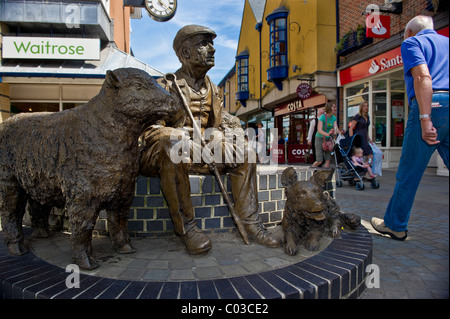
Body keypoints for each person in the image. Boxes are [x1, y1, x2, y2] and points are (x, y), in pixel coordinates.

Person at [139, 25, 281, 254]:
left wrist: (219, 137)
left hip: (201, 150)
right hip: (168, 153)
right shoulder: (165, 85)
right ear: (185, 52)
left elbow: (216, 126)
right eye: (204, 44)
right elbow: (149, 129)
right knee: (174, 146)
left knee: (246, 153)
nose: (212, 49)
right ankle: (187, 229)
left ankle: (250, 222)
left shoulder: (213, 90)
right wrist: (175, 134)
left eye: (212, 43)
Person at [371, 16, 449, 241]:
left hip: (431, 105)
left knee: (408, 172)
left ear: (409, 32)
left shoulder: (412, 43)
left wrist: (426, 119)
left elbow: (423, 76)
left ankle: (395, 225)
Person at [312, 103, 341, 168]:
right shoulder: (322, 117)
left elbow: (336, 128)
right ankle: (311, 171)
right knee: (319, 161)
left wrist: (340, 133)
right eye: (333, 107)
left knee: (328, 159)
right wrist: (327, 134)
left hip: (328, 140)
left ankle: (325, 175)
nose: (335, 108)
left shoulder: (334, 118)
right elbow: (319, 130)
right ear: (329, 108)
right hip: (319, 138)